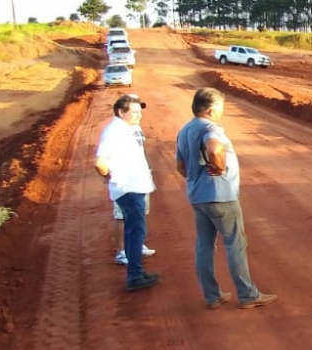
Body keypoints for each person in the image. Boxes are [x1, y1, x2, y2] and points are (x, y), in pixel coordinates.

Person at [175, 87, 278, 309]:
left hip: (197, 196)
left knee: (204, 245)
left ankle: (212, 296)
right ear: (211, 110)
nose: (222, 111)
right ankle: (248, 294)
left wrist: (196, 177)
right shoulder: (211, 127)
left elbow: (180, 166)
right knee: (235, 244)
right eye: (221, 107)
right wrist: (219, 167)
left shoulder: (185, 130)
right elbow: (214, 148)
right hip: (220, 196)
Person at [95, 94, 160, 291]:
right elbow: (99, 163)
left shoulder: (126, 129)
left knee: (135, 231)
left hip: (134, 187)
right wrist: (110, 177)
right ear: (121, 112)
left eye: (140, 112)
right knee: (135, 232)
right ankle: (134, 276)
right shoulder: (113, 131)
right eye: (134, 112)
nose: (139, 115)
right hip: (128, 189)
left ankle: (136, 271)